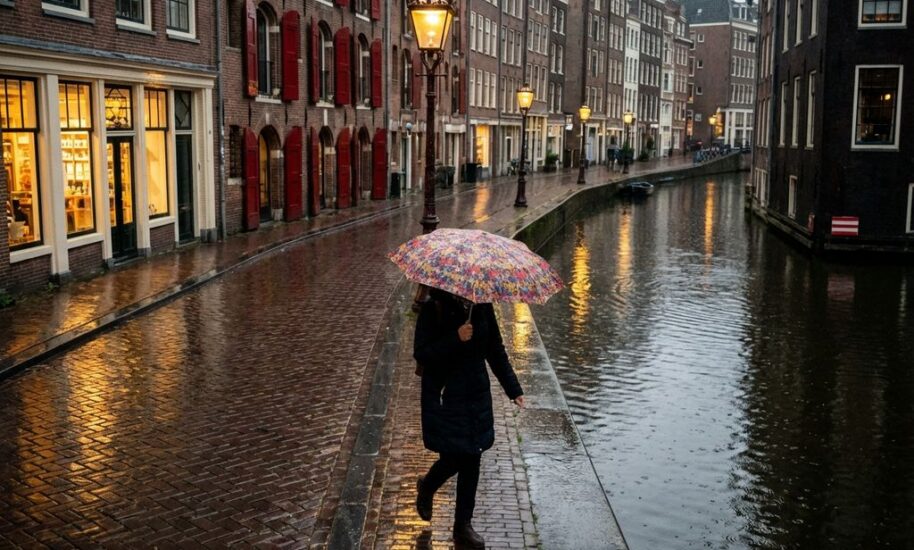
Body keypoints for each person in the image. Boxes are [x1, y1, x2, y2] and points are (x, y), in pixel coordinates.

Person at [413, 287, 525, 549]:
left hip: (476, 393)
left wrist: (514, 389)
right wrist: (455, 337)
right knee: (454, 456)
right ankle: (428, 486)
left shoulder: (482, 304)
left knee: (472, 457)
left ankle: (463, 526)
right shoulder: (434, 306)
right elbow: (422, 353)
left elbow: (495, 349)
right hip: (446, 395)